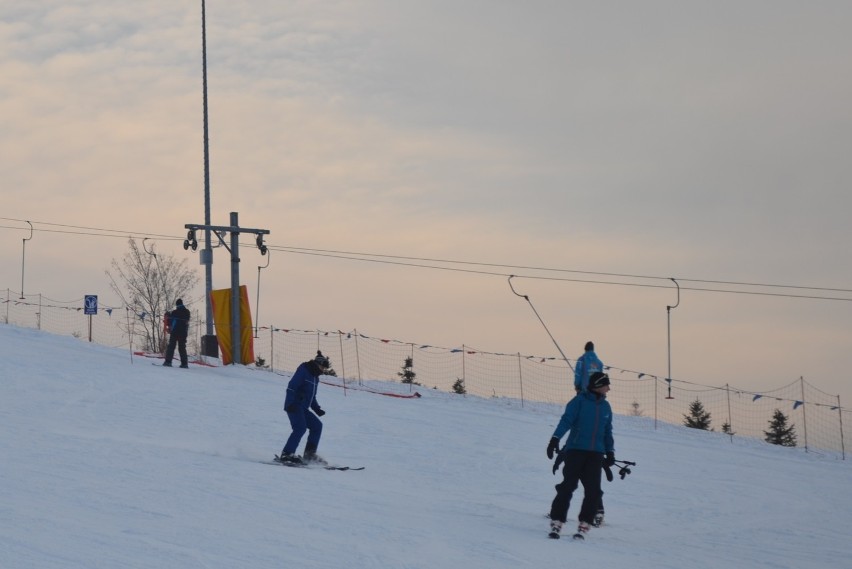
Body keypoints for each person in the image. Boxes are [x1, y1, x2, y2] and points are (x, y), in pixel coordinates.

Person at [546, 371, 615, 540]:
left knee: (593, 491)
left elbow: (607, 431)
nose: (609, 389)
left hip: (596, 454)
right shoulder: (579, 402)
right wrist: (555, 439)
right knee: (568, 486)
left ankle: (585, 523)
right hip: (575, 450)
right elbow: (566, 420)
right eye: (607, 385)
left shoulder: (606, 407)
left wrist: (610, 451)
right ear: (599, 386)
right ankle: (557, 521)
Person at [277, 351, 330, 465]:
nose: (323, 370)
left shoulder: (315, 378)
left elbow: (312, 396)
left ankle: (309, 455)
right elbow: (292, 386)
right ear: (317, 364)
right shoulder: (304, 370)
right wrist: (290, 403)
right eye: (322, 367)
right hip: (294, 405)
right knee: (300, 428)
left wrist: (317, 408)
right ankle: (287, 454)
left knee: (317, 426)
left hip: (303, 408)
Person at [163, 298, 190, 368]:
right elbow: (186, 322)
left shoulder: (174, 312)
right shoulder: (187, 312)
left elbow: (172, 323)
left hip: (175, 332)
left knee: (171, 347)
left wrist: (167, 318)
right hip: (183, 333)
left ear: (177, 305)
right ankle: (184, 364)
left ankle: (168, 362)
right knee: (182, 348)